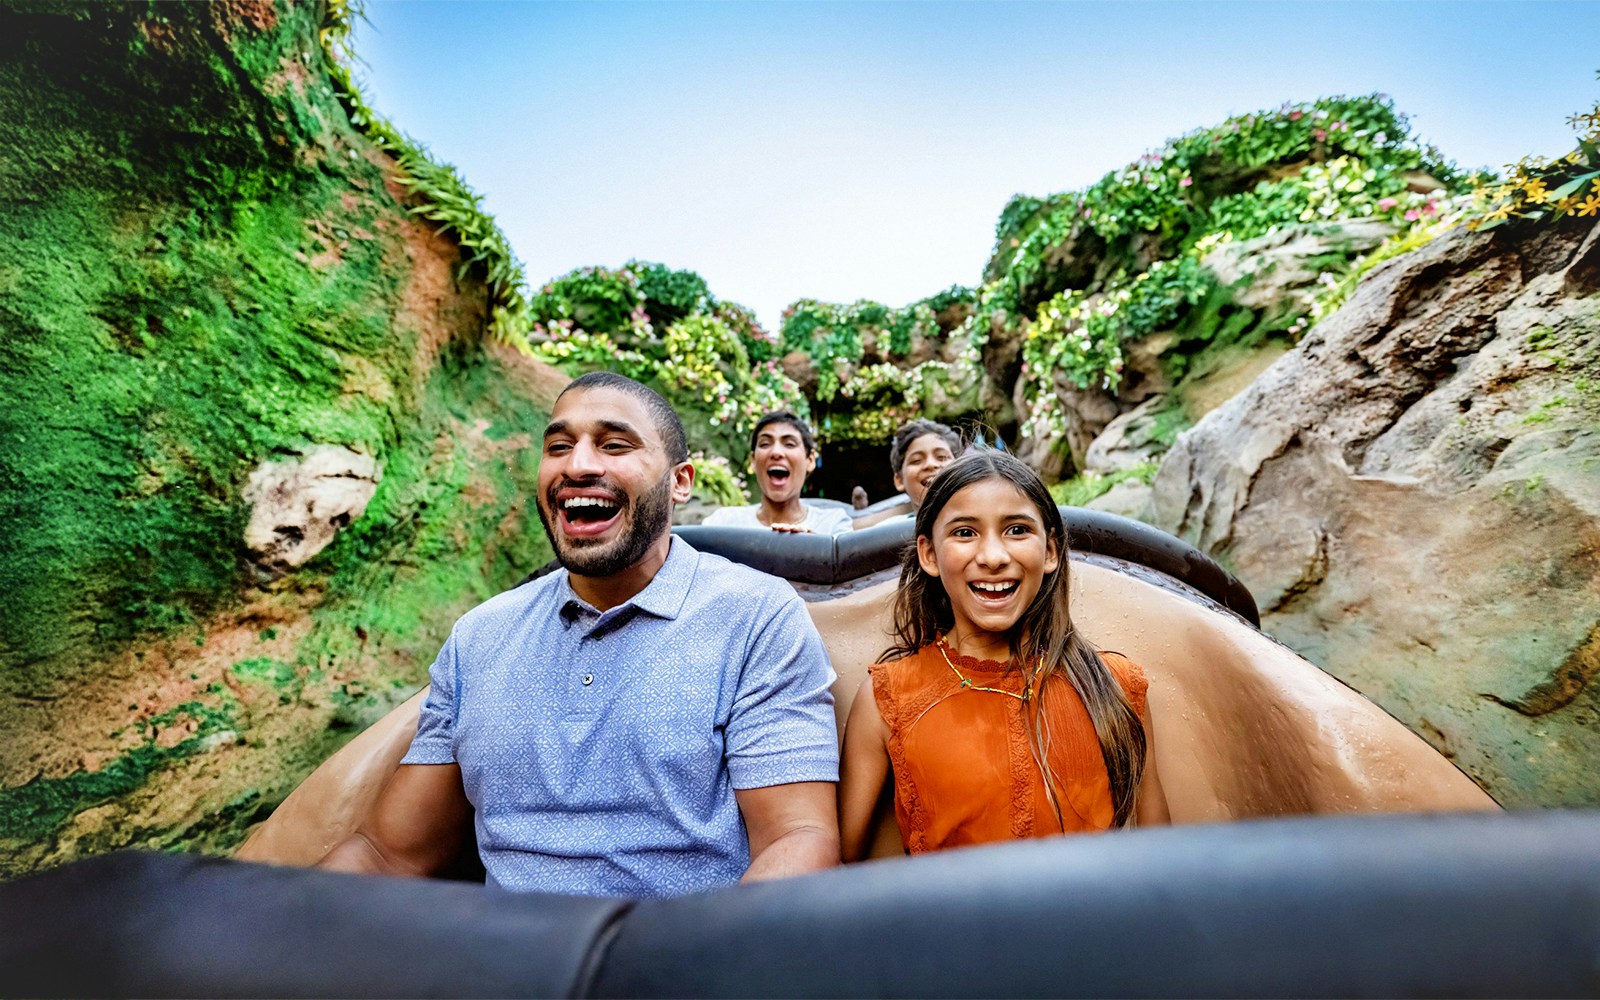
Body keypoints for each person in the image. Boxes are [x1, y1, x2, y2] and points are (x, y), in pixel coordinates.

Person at [320, 372, 841, 897]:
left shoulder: (757, 616)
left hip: (679, 960)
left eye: (614, 445)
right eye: (559, 446)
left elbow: (797, 839)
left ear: (680, 481)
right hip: (498, 966)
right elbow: (386, 852)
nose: (578, 465)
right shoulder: (479, 637)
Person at [837, 450, 1166, 859]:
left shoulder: (1115, 685)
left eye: (1016, 530)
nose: (993, 556)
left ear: (1050, 551)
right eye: (964, 533)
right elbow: (844, 869)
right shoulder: (889, 700)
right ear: (929, 555)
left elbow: (1159, 859)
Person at [702, 411, 852, 534]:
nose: (776, 452)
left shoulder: (833, 525)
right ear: (753, 460)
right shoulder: (722, 523)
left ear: (810, 459)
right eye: (765, 444)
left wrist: (815, 550)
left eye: (789, 444)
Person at [889, 418, 963, 510]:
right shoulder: (889, 524)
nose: (930, 464)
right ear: (899, 480)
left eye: (942, 457)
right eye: (916, 460)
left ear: (962, 468)